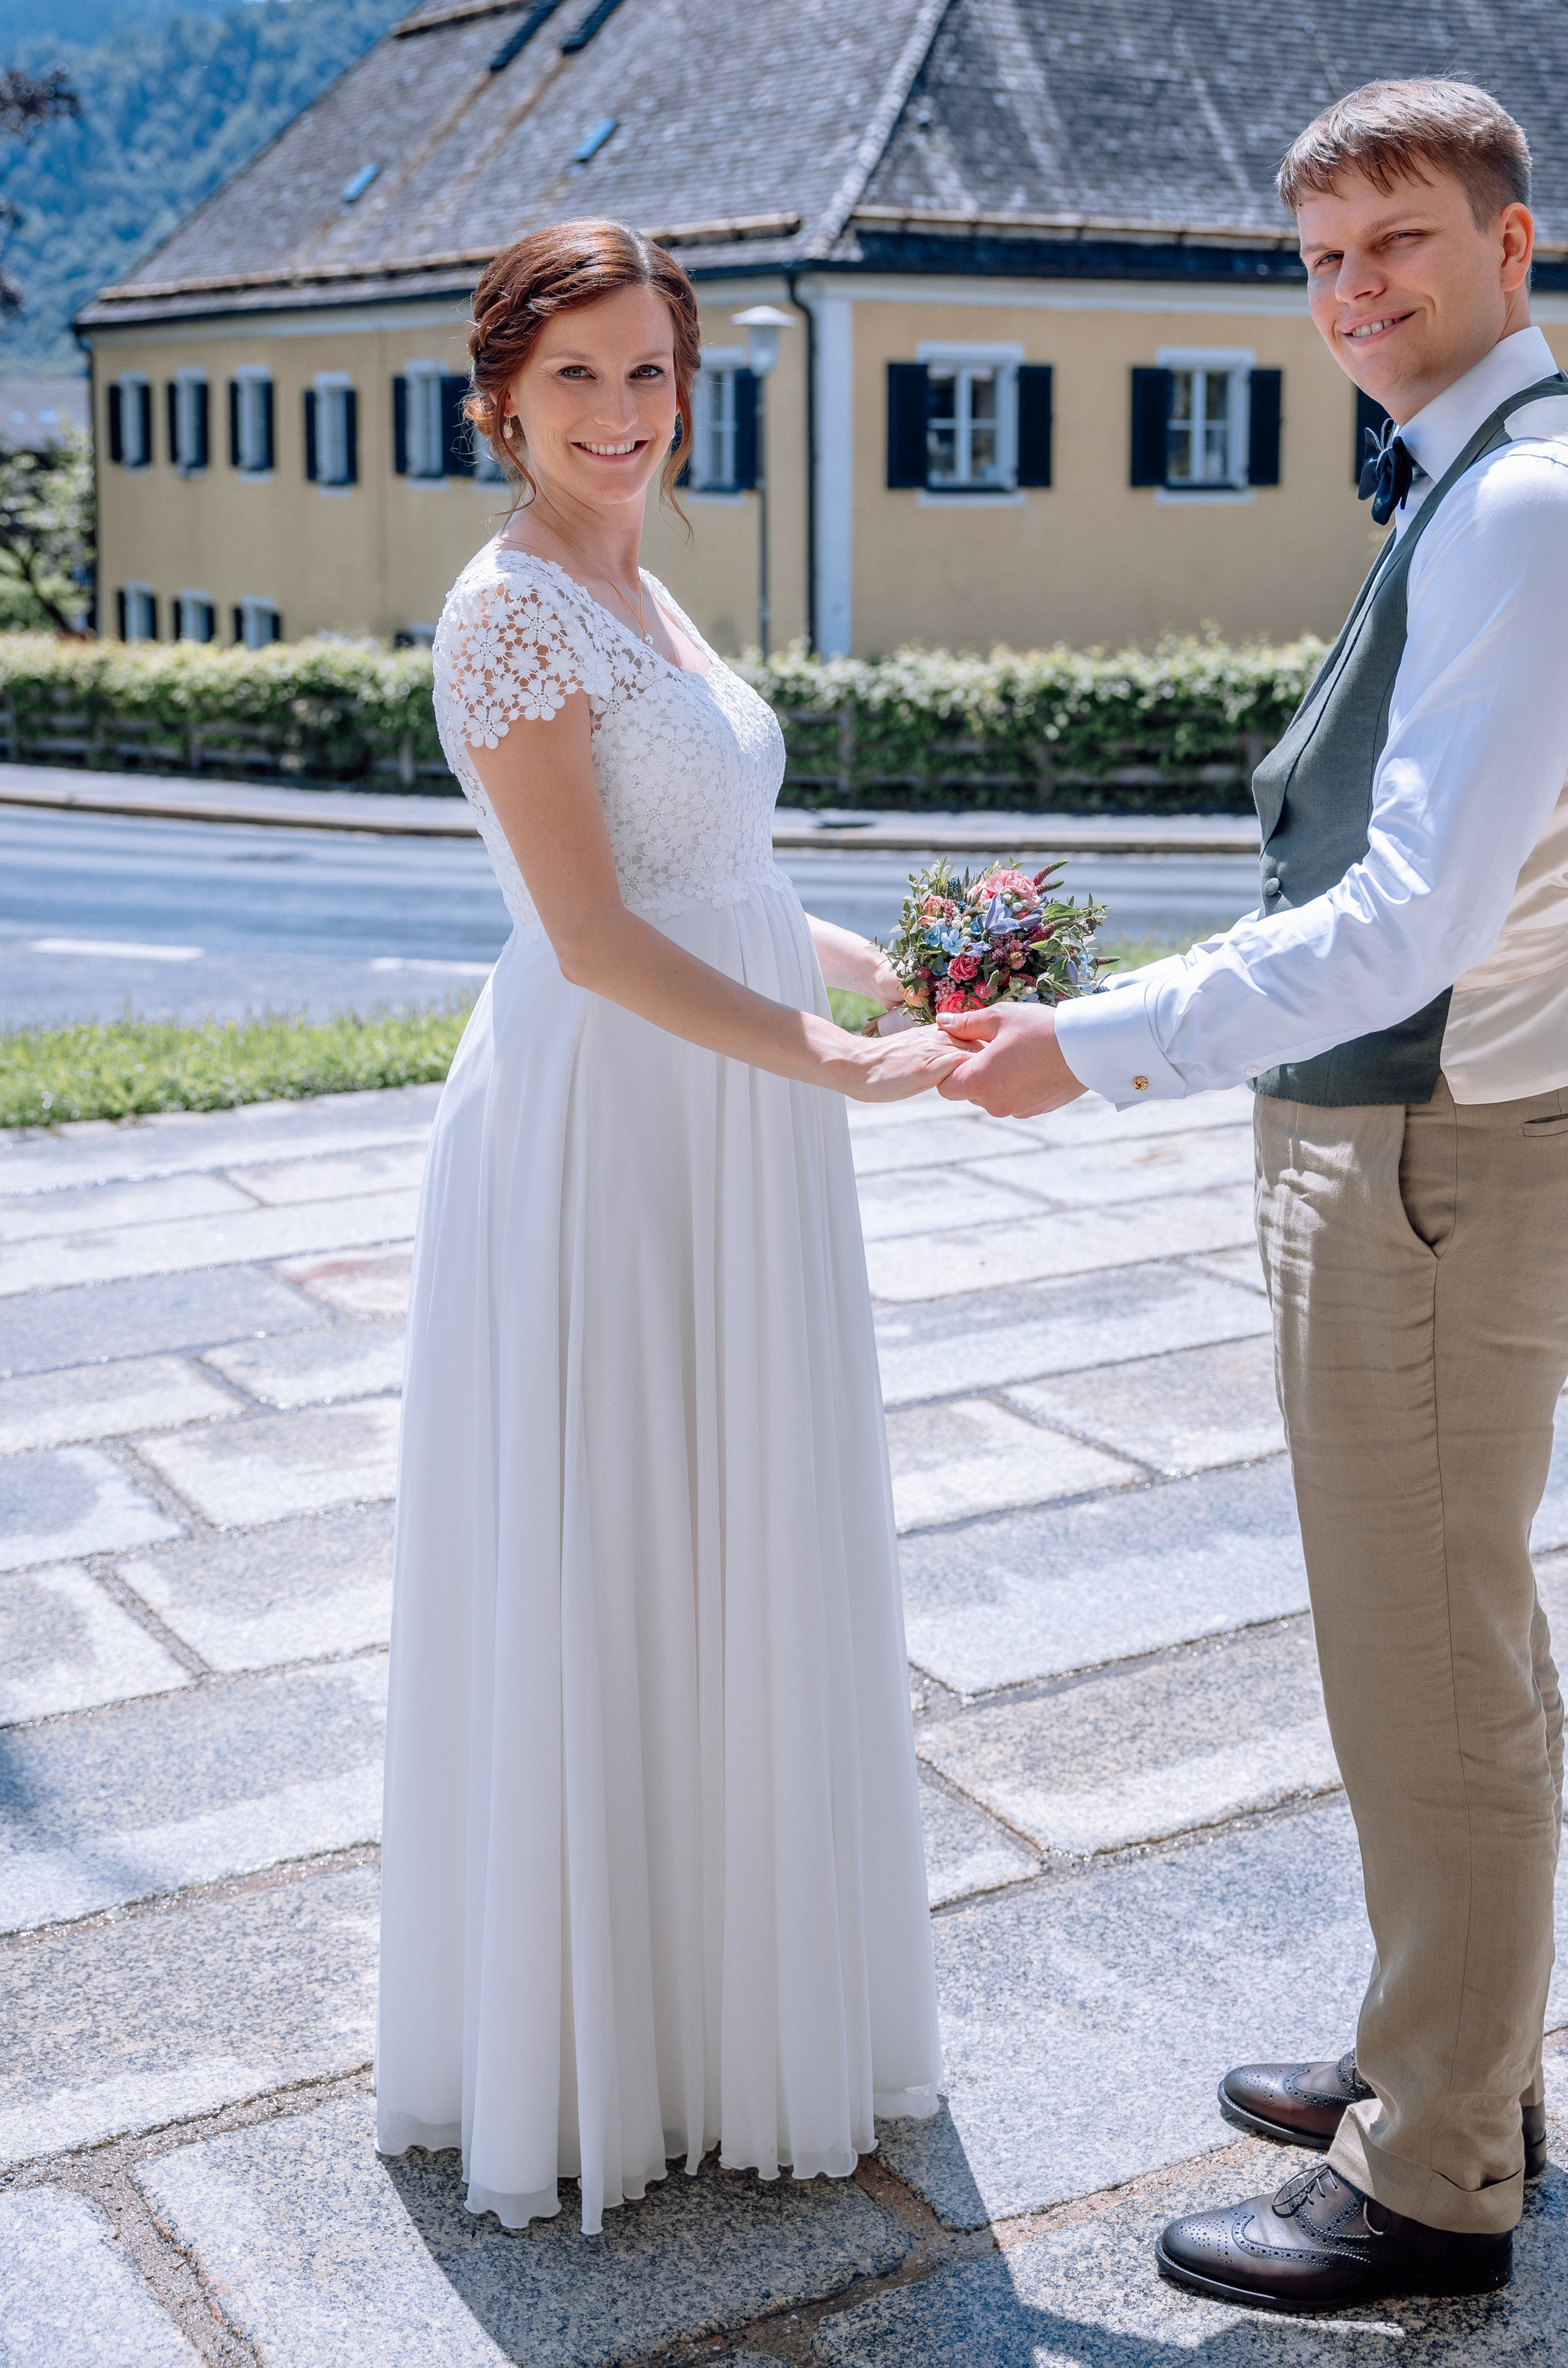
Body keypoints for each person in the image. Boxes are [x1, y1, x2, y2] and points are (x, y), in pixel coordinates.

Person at [939, 79, 1568, 2313]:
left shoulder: (1526, 511)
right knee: (1444, 1647)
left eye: (1403, 246)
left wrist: (1092, 1044)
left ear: (1513, 248)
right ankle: (1437, 2056)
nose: (1356, 294)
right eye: (1324, 258)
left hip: (1429, 1151)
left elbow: (1406, 921)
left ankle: (1441, 2179)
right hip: (1428, 1133)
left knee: (1431, 1672)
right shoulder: (1494, 477)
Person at [376, 220, 954, 2232]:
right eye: (576, 385)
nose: (621, 417)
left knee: (738, 1529)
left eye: (649, 375)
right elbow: (599, 938)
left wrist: (883, 974)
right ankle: (616, 2038)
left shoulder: (638, 577)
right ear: (501, 405)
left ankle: (731, 2004)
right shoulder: (511, 612)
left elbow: (705, 869)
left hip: (734, 1095)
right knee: (623, 1530)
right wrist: (829, 1059)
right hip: (615, 1124)